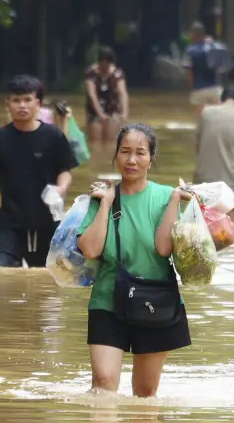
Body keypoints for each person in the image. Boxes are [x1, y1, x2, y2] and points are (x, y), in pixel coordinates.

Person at [76, 124, 192, 398]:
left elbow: (164, 249)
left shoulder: (166, 196)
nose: (131, 160)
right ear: (115, 156)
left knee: (145, 391)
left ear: (151, 159)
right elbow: (90, 249)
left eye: (140, 153)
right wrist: (105, 204)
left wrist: (176, 199)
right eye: (125, 152)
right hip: (108, 300)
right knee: (103, 384)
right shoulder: (101, 196)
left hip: (156, 302)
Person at [0, 75, 78, 268]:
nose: (22, 105)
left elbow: (65, 170)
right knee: (2, 273)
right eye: (16, 100)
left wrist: (61, 189)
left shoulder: (53, 136)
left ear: (37, 103)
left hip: (47, 221)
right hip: (10, 222)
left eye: (27, 100)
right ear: (8, 104)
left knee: (45, 280)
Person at [194, 84, 234, 218]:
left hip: (203, 183)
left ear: (220, 100)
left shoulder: (206, 113)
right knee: (228, 233)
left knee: (202, 231)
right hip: (232, 184)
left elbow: (197, 145)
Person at [84, 47, 128, 145]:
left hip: (112, 111)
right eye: (102, 66)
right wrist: (100, 114)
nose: (105, 69)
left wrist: (124, 113)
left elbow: (122, 93)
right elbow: (92, 95)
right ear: (99, 62)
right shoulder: (90, 73)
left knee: (111, 143)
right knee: (95, 143)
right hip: (94, 113)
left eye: (107, 66)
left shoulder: (117, 74)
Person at [183, 22, 223, 111]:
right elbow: (220, 67)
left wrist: (191, 88)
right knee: (216, 117)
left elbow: (189, 73)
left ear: (193, 34)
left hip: (199, 89)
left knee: (201, 120)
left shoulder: (189, 51)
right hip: (215, 89)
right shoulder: (213, 48)